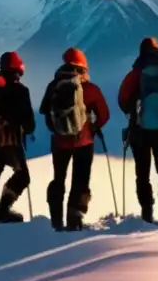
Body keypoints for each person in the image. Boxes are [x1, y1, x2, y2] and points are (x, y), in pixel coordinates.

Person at [40, 47, 110, 231]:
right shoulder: (91, 89)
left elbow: (45, 111)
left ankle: (56, 219)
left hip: (59, 142)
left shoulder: (53, 86)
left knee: (58, 179)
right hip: (84, 142)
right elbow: (104, 114)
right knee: (80, 180)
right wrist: (93, 128)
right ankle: (74, 219)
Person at [118, 37, 158, 226]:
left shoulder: (135, 75)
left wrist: (134, 113)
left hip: (140, 130)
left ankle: (147, 214)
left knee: (143, 173)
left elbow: (122, 100)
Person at [0, 51, 36, 227]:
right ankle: (3, 209)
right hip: (11, 143)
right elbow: (29, 124)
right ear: (18, 69)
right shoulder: (21, 90)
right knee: (23, 177)